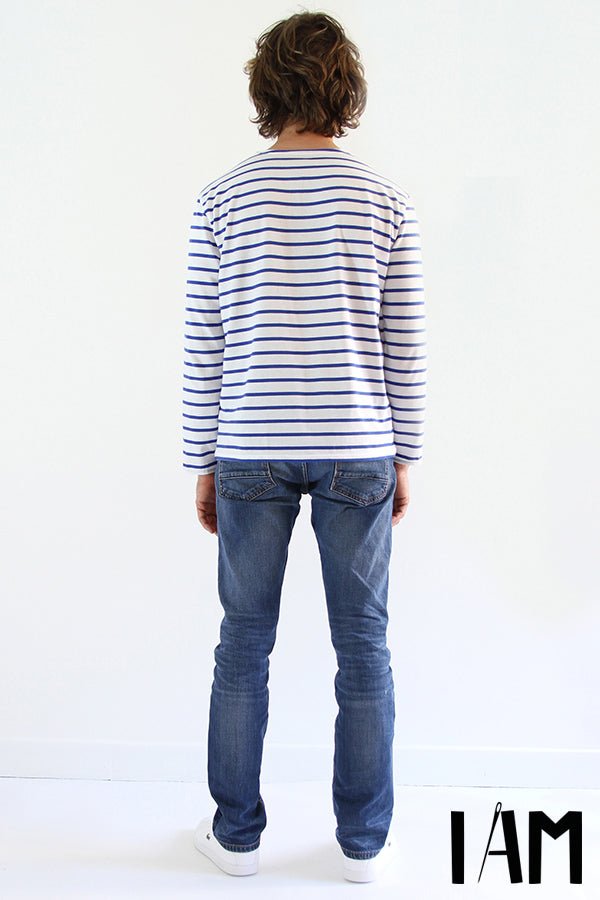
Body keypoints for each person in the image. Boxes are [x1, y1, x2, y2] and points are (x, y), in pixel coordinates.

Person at [183, 10, 426, 883]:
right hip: (359, 446)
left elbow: (204, 343)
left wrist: (201, 462)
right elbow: (404, 343)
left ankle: (236, 838)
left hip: (249, 444)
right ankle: (364, 845)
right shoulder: (385, 200)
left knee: (243, 642)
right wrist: (405, 454)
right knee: (364, 648)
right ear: (344, 89)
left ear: (266, 89)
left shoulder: (221, 199)